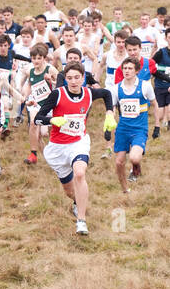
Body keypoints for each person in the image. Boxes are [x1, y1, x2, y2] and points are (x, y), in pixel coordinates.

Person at [33, 62, 109, 236]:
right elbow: (38, 118)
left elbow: (106, 93)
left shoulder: (89, 93)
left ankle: (81, 221)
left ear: (83, 78)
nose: (73, 81)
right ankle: (76, 201)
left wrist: (110, 112)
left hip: (78, 142)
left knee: (80, 173)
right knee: (68, 190)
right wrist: (51, 120)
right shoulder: (57, 95)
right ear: (64, 79)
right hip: (58, 148)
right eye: (69, 78)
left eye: (77, 78)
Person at [109, 55, 153, 194]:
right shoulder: (116, 89)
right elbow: (113, 108)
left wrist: (157, 125)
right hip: (122, 129)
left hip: (139, 129)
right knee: (119, 162)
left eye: (130, 68)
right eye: (125, 68)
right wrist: (109, 121)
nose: (126, 71)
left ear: (137, 71)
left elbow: (155, 103)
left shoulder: (145, 86)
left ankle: (136, 165)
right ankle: (124, 189)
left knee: (134, 157)